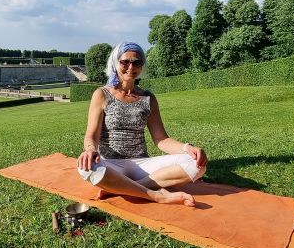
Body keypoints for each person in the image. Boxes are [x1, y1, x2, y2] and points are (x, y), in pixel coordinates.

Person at [77, 42, 208, 206]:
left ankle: (120, 188)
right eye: (125, 62)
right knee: (85, 167)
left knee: (197, 164)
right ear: (115, 63)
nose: (131, 67)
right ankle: (156, 195)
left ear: (141, 66)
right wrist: (89, 150)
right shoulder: (101, 94)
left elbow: (161, 139)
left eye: (136, 62)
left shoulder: (148, 98)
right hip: (112, 165)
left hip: (142, 166)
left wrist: (188, 148)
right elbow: (92, 135)